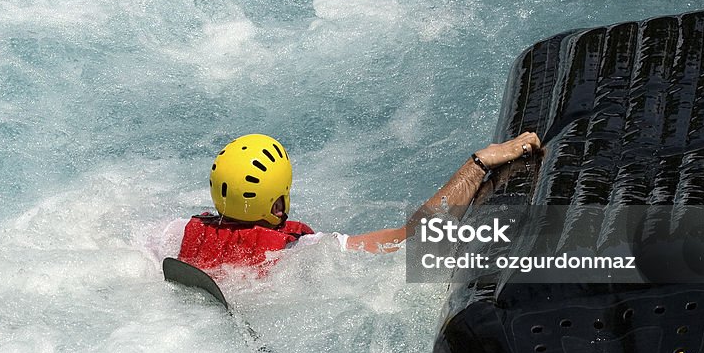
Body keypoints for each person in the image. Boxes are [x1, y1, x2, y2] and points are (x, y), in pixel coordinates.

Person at [166, 131, 542, 269]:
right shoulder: (296, 251)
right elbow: (411, 237)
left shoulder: (186, 230)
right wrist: (478, 165)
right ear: (276, 204)